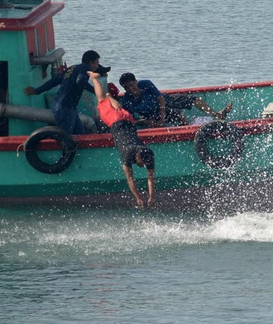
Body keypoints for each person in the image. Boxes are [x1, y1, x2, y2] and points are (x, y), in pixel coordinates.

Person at [89, 71, 155, 209]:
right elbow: (130, 179)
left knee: (116, 107)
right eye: (141, 164)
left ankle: (109, 98)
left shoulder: (148, 154)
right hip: (115, 121)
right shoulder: (128, 152)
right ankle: (95, 79)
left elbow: (150, 179)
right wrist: (138, 198)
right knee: (101, 101)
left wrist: (151, 197)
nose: (143, 166)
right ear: (136, 157)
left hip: (129, 120)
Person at [24, 50, 103, 135]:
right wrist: (96, 91)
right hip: (65, 108)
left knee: (81, 134)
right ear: (91, 63)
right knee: (66, 137)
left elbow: (55, 81)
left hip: (64, 106)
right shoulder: (86, 69)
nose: (97, 66)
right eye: (97, 63)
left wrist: (37, 91)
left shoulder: (73, 68)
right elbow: (80, 81)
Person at [116, 72, 232, 127]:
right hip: (152, 114)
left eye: (132, 85)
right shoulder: (127, 100)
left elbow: (160, 98)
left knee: (194, 100)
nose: (131, 89)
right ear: (124, 88)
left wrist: (162, 116)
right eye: (127, 87)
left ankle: (216, 115)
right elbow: (131, 119)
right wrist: (145, 122)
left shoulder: (146, 84)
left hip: (164, 102)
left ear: (136, 82)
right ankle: (187, 129)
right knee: (178, 116)